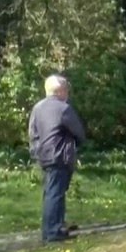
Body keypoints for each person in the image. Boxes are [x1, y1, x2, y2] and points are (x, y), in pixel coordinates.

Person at [28, 75, 86, 242]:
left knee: (51, 192)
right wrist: (77, 143)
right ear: (60, 91)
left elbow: (33, 133)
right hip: (60, 154)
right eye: (66, 89)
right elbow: (78, 131)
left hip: (43, 155)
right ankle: (53, 231)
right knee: (56, 193)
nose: (67, 93)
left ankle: (54, 227)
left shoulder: (37, 108)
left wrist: (36, 152)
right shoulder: (63, 108)